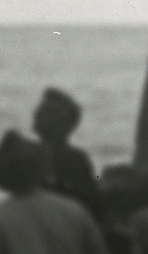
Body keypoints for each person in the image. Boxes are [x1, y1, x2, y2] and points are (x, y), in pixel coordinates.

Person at [29, 87, 104, 218]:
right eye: (39, 111)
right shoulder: (76, 158)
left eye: (44, 112)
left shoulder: (74, 159)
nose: (36, 114)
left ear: (62, 123)